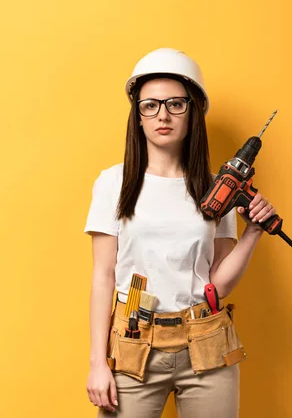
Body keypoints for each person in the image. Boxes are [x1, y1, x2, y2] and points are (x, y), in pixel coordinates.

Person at [84, 48, 277, 418]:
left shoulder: (214, 186)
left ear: (193, 113)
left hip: (206, 341)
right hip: (133, 344)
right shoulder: (113, 183)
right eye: (150, 106)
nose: (163, 115)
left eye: (176, 104)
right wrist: (97, 362)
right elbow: (102, 277)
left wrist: (253, 231)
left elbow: (217, 286)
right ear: (137, 116)